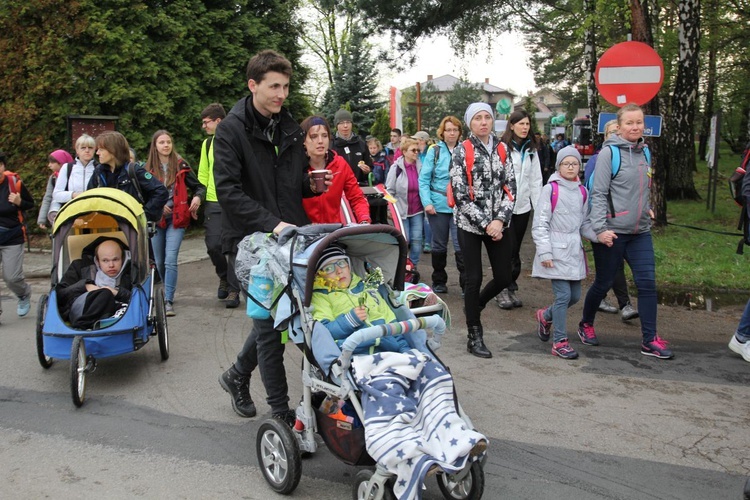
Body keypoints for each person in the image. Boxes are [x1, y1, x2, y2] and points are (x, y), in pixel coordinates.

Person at [214, 49, 328, 422]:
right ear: (253, 85)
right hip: (251, 244)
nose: (281, 94)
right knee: (269, 330)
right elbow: (229, 191)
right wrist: (271, 223)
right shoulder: (231, 130)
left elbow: (288, 184)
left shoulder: (288, 127)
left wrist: (309, 186)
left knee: (285, 319)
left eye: (286, 86)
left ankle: (236, 375)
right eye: (274, 86)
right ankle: (280, 415)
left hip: (289, 240)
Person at [577, 103, 673, 359]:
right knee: (603, 282)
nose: (635, 127)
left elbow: (644, 186)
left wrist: (648, 208)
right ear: (619, 127)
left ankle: (649, 340)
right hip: (612, 232)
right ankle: (585, 323)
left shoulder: (646, 153)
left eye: (639, 122)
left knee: (647, 284)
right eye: (629, 123)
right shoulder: (610, 154)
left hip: (640, 231)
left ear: (644, 125)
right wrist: (599, 230)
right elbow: (598, 193)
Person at [451, 103, 516, 359]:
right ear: (470, 123)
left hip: (498, 224)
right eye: (478, 118)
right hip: (470, 224)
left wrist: (499, 220)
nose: (483, 122)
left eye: (487, 117)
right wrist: (486, 224)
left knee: (504, 276)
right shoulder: (461, 151)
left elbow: (510, 187)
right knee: (473, 278)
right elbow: (459, 195)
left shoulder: (502, 149)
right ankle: (474, 334)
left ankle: (476, 305)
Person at [532, 147, 592, 360]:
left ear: (579, 166)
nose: (570, 167)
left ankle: (545, 316)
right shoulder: (551, 190)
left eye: (574, 163)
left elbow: (584, 223)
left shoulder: (582, 191)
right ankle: (560, 341)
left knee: (574, 296)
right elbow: (540, 223)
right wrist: (545, 252)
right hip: (555, 251)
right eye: (566, 163)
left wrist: (599, 235)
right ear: (558, 166)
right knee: (563, 296)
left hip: (574, 251)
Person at [145, 130, 205, 317]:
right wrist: (158, 205)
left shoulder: (180, 165)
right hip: (157, 218)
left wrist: (197, 198)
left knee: (171, 260)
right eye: (161, 142)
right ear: (155, 146)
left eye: (168, 142)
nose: (165, 145)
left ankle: (168, 299)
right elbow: (142, 195)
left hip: (177, 218)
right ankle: (165, 289)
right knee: (160, 261)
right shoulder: (147, 169)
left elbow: (199, 186)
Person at [584, 119, 639, 321]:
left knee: (615, 266)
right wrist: (595, 222)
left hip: (630, 223)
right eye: (612, 133)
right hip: (605, 221)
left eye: (618, 131)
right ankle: (622, 304)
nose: (616, 135)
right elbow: (590, 191)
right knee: (613, 266)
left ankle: (616, 301)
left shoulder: (635, 156)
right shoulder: (598, 159)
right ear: (606, 136)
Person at [310, 244, 410, 354]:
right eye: (329, 268)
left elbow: (391, 323)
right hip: (354, 354)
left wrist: (404, 349)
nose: (339, 271)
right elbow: (323, 334)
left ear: (349, 266)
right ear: (319, 275)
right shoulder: (320, 297)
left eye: (341, 263)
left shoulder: (368, 289)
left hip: (387, 350)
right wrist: (349, 321)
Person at [495, 109, 543, 310]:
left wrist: (539, 209)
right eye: (521, 124)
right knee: (505, 249)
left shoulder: (531, 150)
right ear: (511, 125)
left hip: (522, 207)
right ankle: (501, 290)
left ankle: (510, 286)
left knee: (515, 250)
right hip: (504, 208)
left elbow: (536, 180)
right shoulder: (502, 148)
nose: (525, 128)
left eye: (527, 124)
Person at [418, 115, 465, 295]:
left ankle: (465, 283)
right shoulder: (434, 150)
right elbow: (424, 179)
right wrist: (427, 202)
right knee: (439, 246)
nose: (451, 133)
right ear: (442, 132)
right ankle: (439, 280)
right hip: (438, 205)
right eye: (448, 130)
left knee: (462, 245)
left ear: (459, 132)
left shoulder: (465, 149)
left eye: (455, 130)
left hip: (460, 206)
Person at [198, 103, 239, 306]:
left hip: (234, 202)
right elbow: (203, 176)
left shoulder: (236, 141)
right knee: (214, 246)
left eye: (206, 123)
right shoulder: (207, 145)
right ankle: (223, 276)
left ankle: (233, 289)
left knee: (232, 248)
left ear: (218, 121)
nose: (204, 127)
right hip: (213, 202)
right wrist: (198, 196)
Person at [300, 115, 370, 224]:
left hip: (333, 232)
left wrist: (364, 220)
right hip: (304, 234)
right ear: (304, 141)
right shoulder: (295, 166)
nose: (320, 141)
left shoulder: (340, 164)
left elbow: (357, 198)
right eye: (314, 136)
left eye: (324, 136)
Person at [88, 131, 169, 223]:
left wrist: (144, 215)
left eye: (101, 149)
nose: (97, 153)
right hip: (106, 227)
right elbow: (89, 198)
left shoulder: (133, 170)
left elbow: (161, 192)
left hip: (132, 229)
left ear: (113, 150)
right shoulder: (99, 172)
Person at [56, 238, 132, 329]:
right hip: (82, 309)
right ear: (97, 261)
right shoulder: (79, 267)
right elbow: (60, 294)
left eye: (115, 259)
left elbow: (139, 299)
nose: (111, 265)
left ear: (123, 259)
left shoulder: (131, 271)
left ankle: (98, 324)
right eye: (105, 261)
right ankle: (84, 325)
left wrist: (117, 292)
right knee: (105, 293)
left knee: (108, 295)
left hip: (117, 313)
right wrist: (84, 286)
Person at [0, 150, 34, 318]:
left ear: (3, 166)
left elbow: (30, 204)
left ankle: (23, 294)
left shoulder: (14, 182)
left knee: (11, 277)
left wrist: (20, 202)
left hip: (11, 236)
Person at [385, 137, 424, 267]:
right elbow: (389, 190)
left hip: (417, 210)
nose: (416, 153)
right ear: (405, 151)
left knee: (417, 240)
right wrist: (390, 209)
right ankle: (403, 266)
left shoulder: (421, 167)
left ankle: (414, 266)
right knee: (404, 240)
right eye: (413, 150)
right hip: (401, 210)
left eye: (418, 150)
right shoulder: (396, 168)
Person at [52, 135, 97, 225]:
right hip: (73, 216)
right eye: (83, 148)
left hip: (95, 215)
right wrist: (73, 195)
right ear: (77, 150)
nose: (87, 150)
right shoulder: (67, 167)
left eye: (90, 148)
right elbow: (57, 194)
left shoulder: (99, 168)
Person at [332, 108, 373, 185]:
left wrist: (367, 171)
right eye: (341, 123)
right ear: (336, 125)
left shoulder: (361, 144)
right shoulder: (331, 145)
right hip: (337, 188)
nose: (345, 126)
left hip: (358, 187)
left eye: (348, 122)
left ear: (352, 124)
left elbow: (370, 168)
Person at [37, 149, 74, 229]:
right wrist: (42, 219)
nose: (49, 165)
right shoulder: (53, 178)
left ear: (61, 163)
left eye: (52, 162)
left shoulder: (74, 175)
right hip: (57, 216)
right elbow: (48, 197)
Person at [412, 130, 433, 253]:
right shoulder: (417, 153)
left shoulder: (430, 152)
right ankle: (422, 238)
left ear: (422, 140)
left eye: (417, 140)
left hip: (427, 187)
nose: (415, 142)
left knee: (427, 216)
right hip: (416, 187)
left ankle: (428, 242)